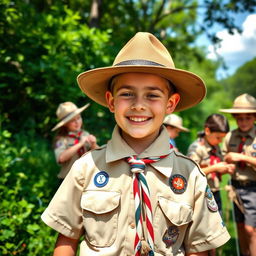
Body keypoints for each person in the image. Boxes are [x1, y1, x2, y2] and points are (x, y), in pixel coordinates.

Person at [41, 32, 230, 256]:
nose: (139, 105)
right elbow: (67, 240)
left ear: (171, 104)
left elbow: (198, 249)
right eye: (127, 93)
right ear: (111, 101)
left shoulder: (191, 176)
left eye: (152, 95)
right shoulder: (86, 168)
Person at [220, 93, 256, 256]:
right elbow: (223, 157)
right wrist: (226, 162)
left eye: (248, 118)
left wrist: (241, 157)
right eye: (239, 118)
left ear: (254, 117)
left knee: (251, 229)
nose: (243, 122)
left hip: (253, 188)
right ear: (234, 117)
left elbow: (239, 157)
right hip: (235, 188)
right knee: (240, 227)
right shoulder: (230, 136)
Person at [187, 114, 235, 216]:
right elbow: (191, 173)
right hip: (201, 195)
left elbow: (217, 163)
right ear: (207, 131)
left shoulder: (215, 146)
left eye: (222, 138)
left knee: (218, 225)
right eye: (218, 137)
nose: (220, 141)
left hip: (215, 191)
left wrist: (225, 168)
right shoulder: (196, 148)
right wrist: (215, 168)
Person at [52, 101, 98, 181]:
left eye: (79, 118)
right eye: (73, 120)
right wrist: (80, 144)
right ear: (65, 124)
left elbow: (97, 154)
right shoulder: (61, 139)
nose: (77, 122)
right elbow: (61, 158)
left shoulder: (85, 134)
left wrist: (94, 144)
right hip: (68, 180)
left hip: (86, 178)